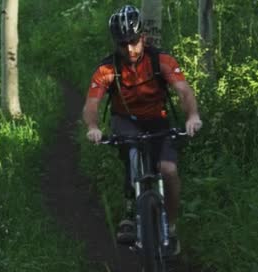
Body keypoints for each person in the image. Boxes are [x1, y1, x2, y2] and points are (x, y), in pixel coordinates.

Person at [82, 5, 202, 255]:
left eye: (133, 41)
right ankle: (131, 210)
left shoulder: (162, 61)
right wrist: (93, 127)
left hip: (158, 120)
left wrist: (192, 116)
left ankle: (169, 224)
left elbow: (183, 90)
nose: (129, 48)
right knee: (132, 151)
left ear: (143, 38)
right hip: (125, 120)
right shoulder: (107, 68)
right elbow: (92, 103)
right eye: (123, 43)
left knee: (168, 170)